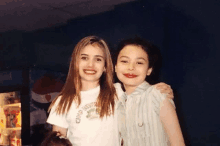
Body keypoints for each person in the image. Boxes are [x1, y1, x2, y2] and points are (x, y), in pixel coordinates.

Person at [47, 36, 173, 146]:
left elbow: (142, 94)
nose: (90, 64)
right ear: (75, 63)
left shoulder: (118, 91)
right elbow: (58, 142)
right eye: (84, 58)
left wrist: (160, 88)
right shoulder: (62, 102)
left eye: (98, 59)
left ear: (106, 67)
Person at [114, 37, 185, 146]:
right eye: (124, 61)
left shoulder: (157, 94)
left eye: (139, 63)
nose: (131, 67)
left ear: (149, 70)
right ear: (115, 67)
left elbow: (178, 143)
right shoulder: (118, 100)